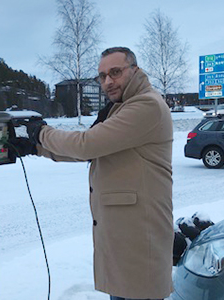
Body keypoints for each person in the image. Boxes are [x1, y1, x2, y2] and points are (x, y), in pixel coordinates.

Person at [10, 47, 174, 300]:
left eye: (116, 72)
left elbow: (87, 143)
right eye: (102, 75)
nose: (108, 81)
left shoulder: (146, 106)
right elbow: (92, 151)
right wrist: (36, 148)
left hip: (140, 238)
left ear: (136, 71)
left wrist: (41, 132)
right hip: (126, 237)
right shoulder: (122, 107)